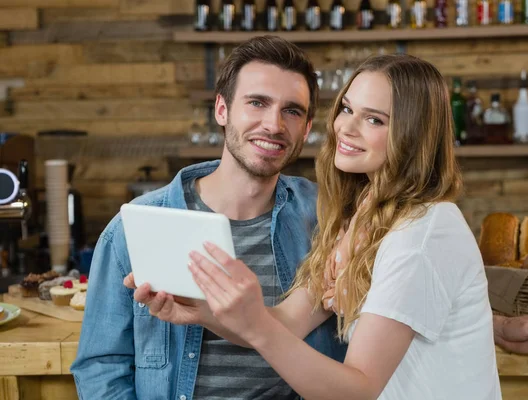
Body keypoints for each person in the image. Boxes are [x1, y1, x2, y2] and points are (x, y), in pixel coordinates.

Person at [132, 54, 528, 400]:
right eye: (347, 109)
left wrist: (254, 324)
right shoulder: (361, 219)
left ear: (411, 136)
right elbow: (285, 322)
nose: (346, 128)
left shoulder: (423, 229)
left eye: (374, 119)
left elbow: (357, 388)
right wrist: (201, 310)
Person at [70, 35, 347, 400]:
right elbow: (101, 367)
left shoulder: (331, 220)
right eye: (257, 103)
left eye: (292, 111)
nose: (274, 124)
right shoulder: (131, 229)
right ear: (222, 109)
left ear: (307, 128)